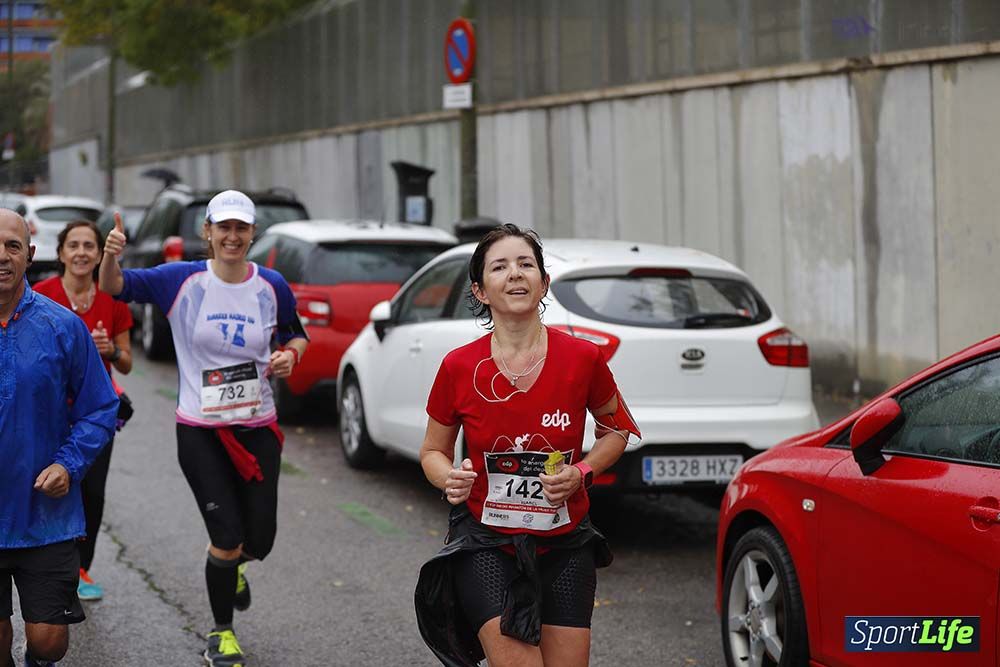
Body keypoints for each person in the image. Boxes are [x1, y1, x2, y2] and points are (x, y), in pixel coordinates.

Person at [414, 224, 641, 667]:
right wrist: (450, 478)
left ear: (543, 283)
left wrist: (582, 472)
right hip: (486, 542)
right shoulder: (459, 367)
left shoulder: (583, 359)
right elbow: (432, 452)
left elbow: (617, 430)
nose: (515, 274)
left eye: (526, 264)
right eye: (500, 267)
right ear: (480, 290)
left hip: (564, 543)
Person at [99, 190, 308, 667]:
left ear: (252, 234)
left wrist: (290, 355)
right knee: (227, 535)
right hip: (200, 431)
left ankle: (232, 567)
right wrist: (112, 256)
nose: (232, 236)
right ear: (208, 233)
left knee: (261, 540)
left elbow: (295, 333)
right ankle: (222, 633)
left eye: (241, 228)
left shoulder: (271, 285)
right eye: (223, 228)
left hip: (258, 428)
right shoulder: (182, 280)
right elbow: (115, 288)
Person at [0, 209, 118, 667]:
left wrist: (68, 465)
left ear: (30, 255)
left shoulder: (63, 326)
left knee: (50, 643)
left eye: (13, 246)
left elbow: (99, 408)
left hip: (44, 515)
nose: (2, 256)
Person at [34, 220, 134, 603]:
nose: (80, 252)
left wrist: (109, 351)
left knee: (92, 495)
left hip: (95, 417)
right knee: (49, 487)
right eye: (72, 245)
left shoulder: (113, 299)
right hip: (48, 415)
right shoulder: (40, 294)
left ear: (98, 254)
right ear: (60, 253)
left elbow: (126, 364)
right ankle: (43, 563)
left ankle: (80, 567)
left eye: (88, 246)